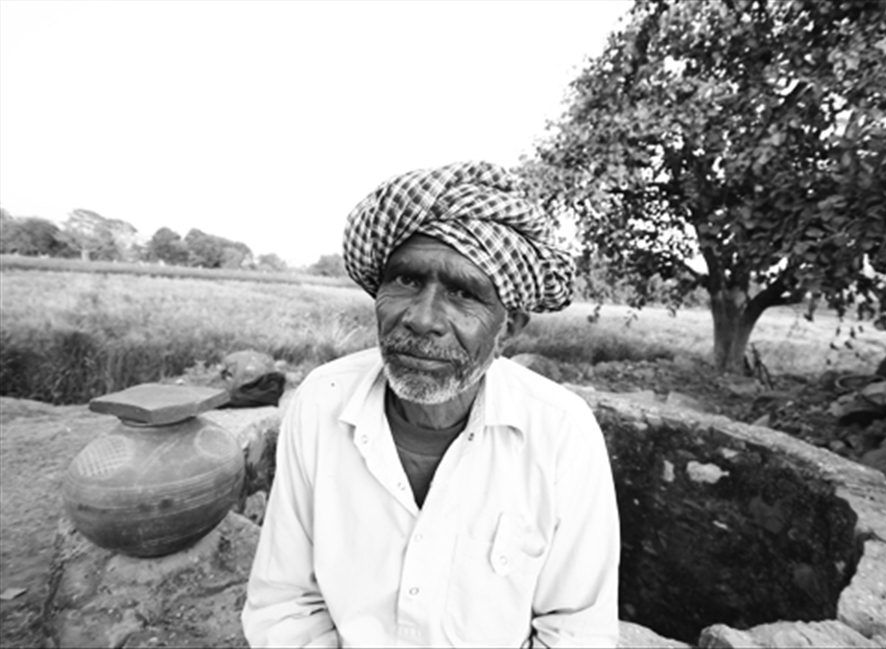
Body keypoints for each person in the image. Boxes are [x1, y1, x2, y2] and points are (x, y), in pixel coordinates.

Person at [241, 161, 620, 647]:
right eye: (406, 281)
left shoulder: (562, 432)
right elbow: (284, 602)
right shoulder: (321, 401)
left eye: (464, 293)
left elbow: (576, 631)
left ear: (509, 327)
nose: (422, 319)